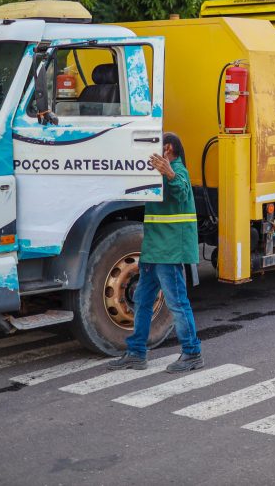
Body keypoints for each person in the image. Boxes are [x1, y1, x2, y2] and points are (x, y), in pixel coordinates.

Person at [107, 132, 203, 373]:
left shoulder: (177, 170)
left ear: (167, 148)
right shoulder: (157, 172)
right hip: (153, 249)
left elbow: (182, 189)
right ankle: (136, 353)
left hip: (169, 251)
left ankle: (193, 353)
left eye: (156, 146)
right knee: (142, 299)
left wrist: (169, 172)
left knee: (177, 302)